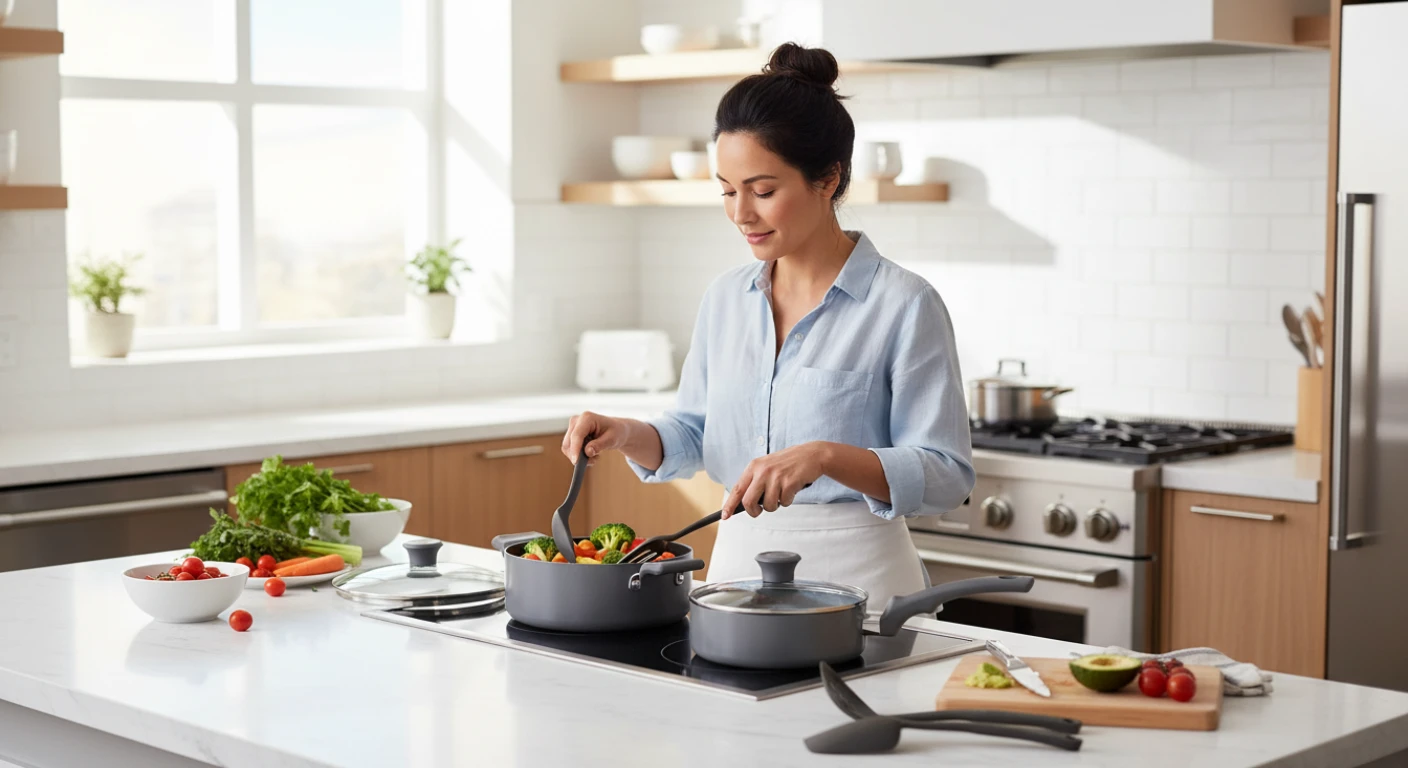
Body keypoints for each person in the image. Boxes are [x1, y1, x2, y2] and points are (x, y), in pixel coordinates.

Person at [561, 43, 973, 609]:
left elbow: (948, 475)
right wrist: (626, 433)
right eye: (728, 191)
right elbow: (696, 435)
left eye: (763, 190)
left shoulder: (904, 304)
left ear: (827, 180)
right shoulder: (726, 298)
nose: (740, 213)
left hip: (865, 589)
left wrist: (825, 456)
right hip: (734, 578)